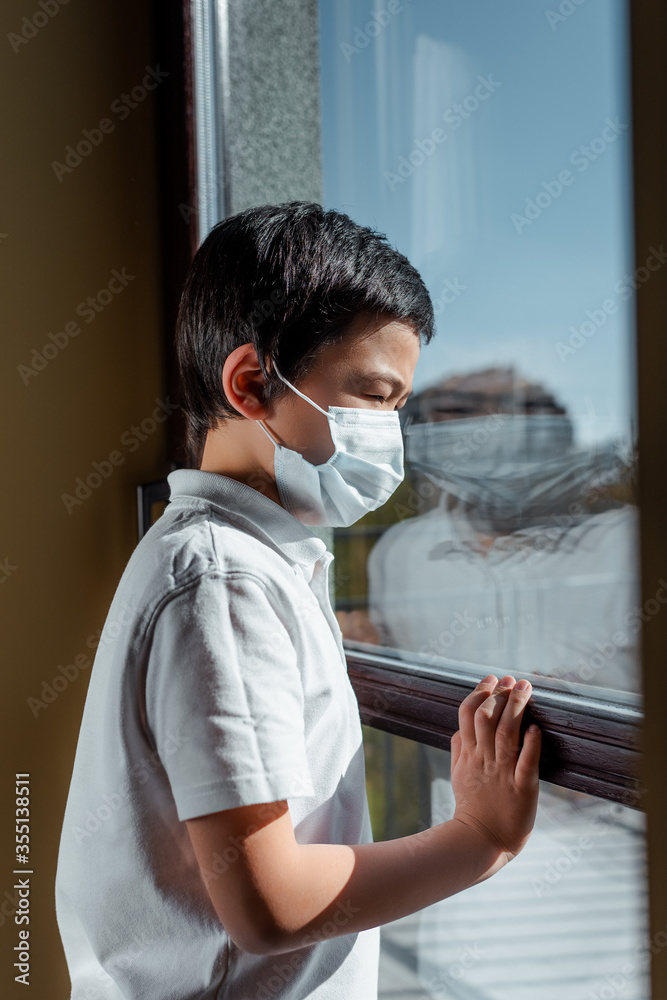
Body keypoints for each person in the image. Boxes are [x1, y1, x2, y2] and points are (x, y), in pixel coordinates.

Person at [54, 202, 541, 1000]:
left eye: (399, 405)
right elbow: (270, 905)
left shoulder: (224, 557)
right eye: (373, 396)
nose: (390, 432)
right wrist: (478, 837)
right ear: (251, 383)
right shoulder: (223, 580)